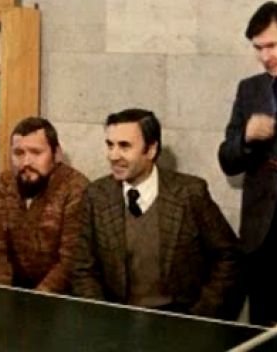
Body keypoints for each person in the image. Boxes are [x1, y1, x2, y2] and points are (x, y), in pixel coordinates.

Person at [72, 109, 242, 319]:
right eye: (110, 145)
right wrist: (102, 317)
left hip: (180, 321)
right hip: (117, 322)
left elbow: (228, 257)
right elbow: (83, 268)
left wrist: (201, 315)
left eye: (124, 146)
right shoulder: (97, 195)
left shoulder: (189, 193)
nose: (113, 156)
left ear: (151, 150)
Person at [218, 1, 277, 326]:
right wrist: (246, 136)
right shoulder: (249, 89)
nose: (265, 56)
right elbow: (227, 160)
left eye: (272, 45)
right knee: (262, 327)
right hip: (261, 236)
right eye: (258, 48)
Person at [0, 117, 89, 293]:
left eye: (36, 153)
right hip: (12, 289)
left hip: (60, 296)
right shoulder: (2, 185)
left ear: (57, 154)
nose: (26, 162)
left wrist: (36, 298)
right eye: (19, 153)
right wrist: (0, 295)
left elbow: (70, 260)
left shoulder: (76, 189)